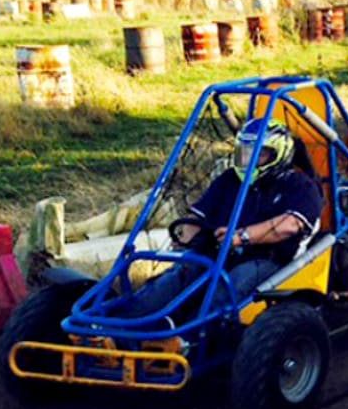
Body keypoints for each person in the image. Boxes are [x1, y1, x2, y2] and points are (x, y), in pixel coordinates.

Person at [120, 118, 323, 323]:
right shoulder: (229, 180)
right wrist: (184, 235)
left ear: (278, 155)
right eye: (245, 152)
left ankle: (190, 341)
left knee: (227, 288)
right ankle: (124, 326)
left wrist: (242, 237)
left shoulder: (300, 185)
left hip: (267, 260)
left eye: (258, 153)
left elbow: (290, 225)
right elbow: (198, 216)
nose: (248, 159)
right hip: (217, 253)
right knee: (177, 276)